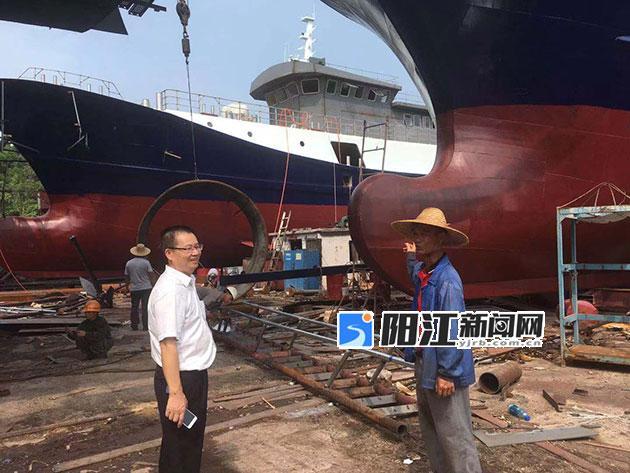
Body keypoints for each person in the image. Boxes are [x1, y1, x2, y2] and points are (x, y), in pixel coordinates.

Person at [391, 207, 482, 473]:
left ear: (441, 238)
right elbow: (415, 276)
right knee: (432, 431)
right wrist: (410, 257)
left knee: (454, 435)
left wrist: (447, 373)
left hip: (443, 368)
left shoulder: (447, 280)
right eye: (416, 232)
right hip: (425, 360)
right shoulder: (426, 273)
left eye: (425, 233)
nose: (418, 238)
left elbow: (453, 328)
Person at [148, 226, 235, 473]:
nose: (195, 252)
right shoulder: (171, 291)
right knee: (181, 444)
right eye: (187, 248)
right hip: (180, 379)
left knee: (188, 441)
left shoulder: (185, 284)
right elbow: (168, 344)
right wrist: (176, 393)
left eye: (197, 246)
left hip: (192, 376)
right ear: (169, 253)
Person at [125, 243, 155, 331]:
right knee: (145, 307)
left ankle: (134, 325)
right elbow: (151, 274)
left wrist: (127, 286)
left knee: (134, 307)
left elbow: (126, 276)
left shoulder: (129, 263)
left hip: (134, 288)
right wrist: (154, 285)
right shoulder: (146, 263)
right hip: (146, 288)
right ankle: (145, 326)